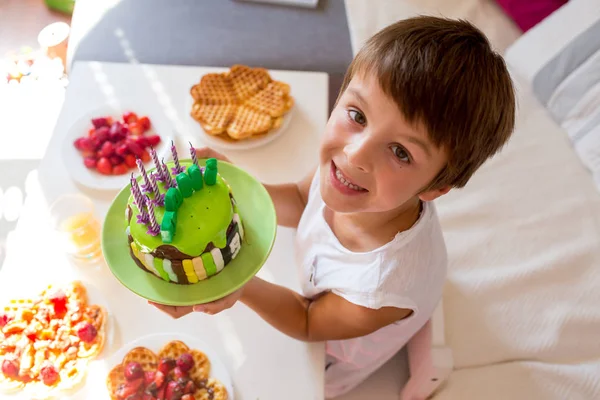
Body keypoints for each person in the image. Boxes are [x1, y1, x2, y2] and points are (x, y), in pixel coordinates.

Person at [151, 15, 516, 397]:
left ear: (437, 187)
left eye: (400, 152)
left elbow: (308, 321)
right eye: (357, 116)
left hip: (326, 358)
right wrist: (239, 188)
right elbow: (297, 198)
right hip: (311, 289)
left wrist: (238, 285)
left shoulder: (379, 287)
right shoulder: (352, 180)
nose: (355, 154)